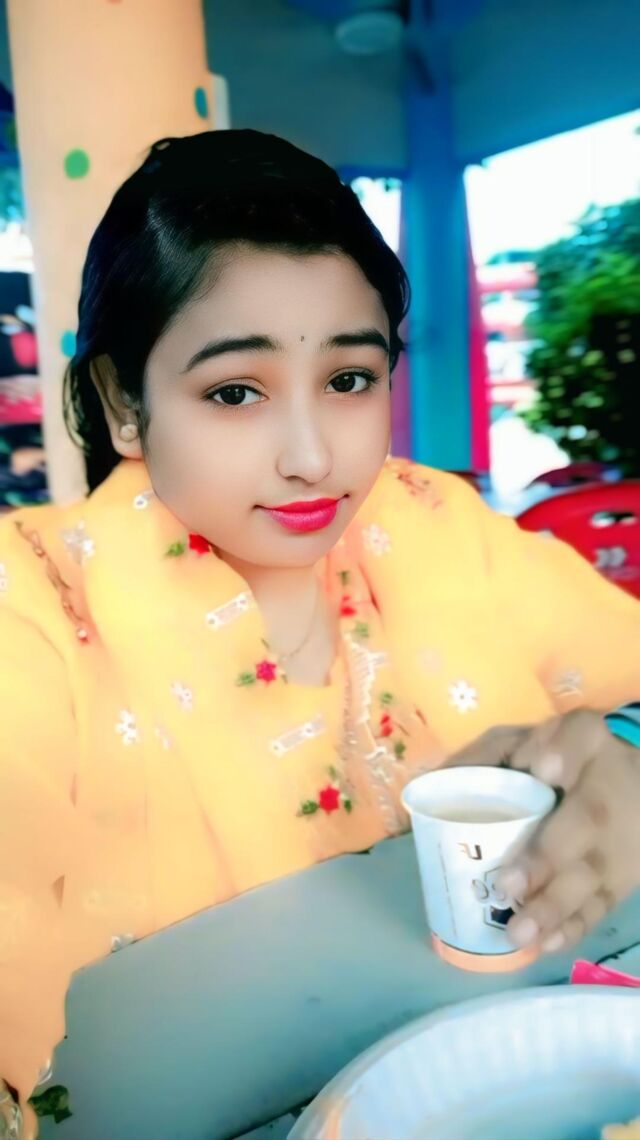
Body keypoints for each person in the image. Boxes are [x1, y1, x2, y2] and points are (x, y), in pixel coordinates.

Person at [1, 128, 639, 1138]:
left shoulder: (430, 521)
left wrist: (628, 755)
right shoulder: (30, 600)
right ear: (125, 401)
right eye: (234, 392)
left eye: (348, 380)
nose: (311, 456)